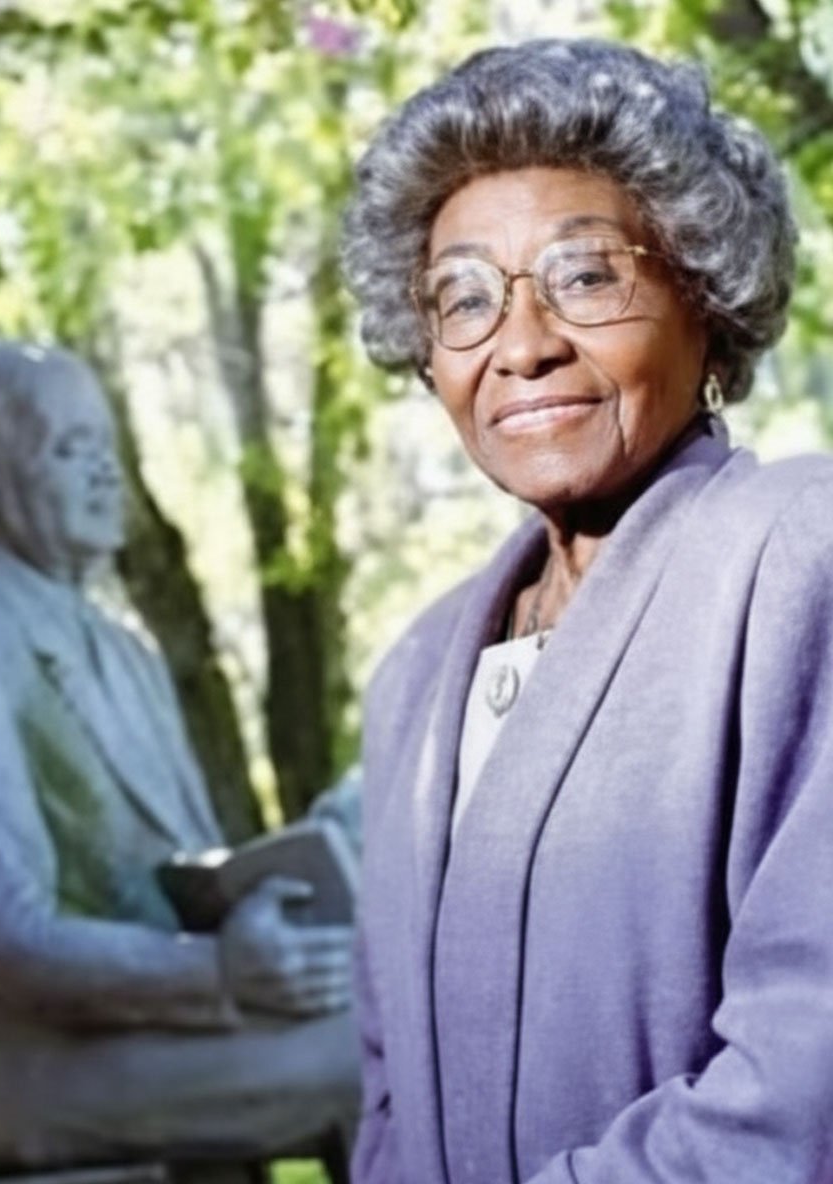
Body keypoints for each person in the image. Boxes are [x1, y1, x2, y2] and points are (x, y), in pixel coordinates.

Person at [342, 37, 833, 1184]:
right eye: (464, 298)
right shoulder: (416, 672)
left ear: (705, 295)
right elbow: (385, 1090)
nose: (522, 345)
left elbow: (807, 1078)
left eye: (586, 276)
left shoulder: (801, 555)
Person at [0, 343, 359, 1172]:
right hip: (62, 1064)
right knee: (378, 1054)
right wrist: (219, 973)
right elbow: (9, 935)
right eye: (70, 448)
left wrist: (303, 878)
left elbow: (190, 876)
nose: (107, 471)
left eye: (106, 444)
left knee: (413, 1006)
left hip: (180, 1020)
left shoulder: (127, 651)